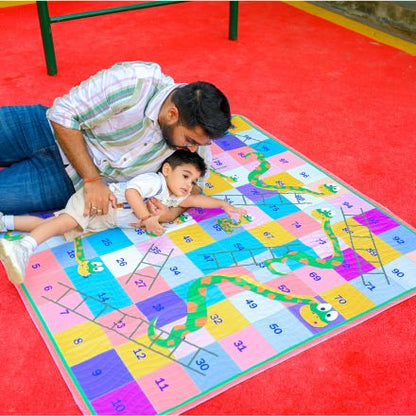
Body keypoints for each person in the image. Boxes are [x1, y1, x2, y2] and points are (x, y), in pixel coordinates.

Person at [0, 61, 232, 223]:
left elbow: (197, 182)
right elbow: (63, 114)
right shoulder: (135, 81)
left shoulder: (198, 136)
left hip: (65, 180)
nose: (193, 149)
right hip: (42, 127)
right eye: (190, 140)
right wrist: (92, 179)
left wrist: (173, 211)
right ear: (172, 114)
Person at [0, 150, 246, 285]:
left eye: (192, 181)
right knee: (66, 222)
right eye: (185, 176)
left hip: (104, 220)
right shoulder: (155, 182)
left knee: (57, 226)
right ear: (168, 170)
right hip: (98, 202)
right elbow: (131, 192)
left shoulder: (174, 196)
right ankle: (23, 247)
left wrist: (223, 205)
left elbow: (196, 200)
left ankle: (5, 222)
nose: (188, 184)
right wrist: (146, 218)